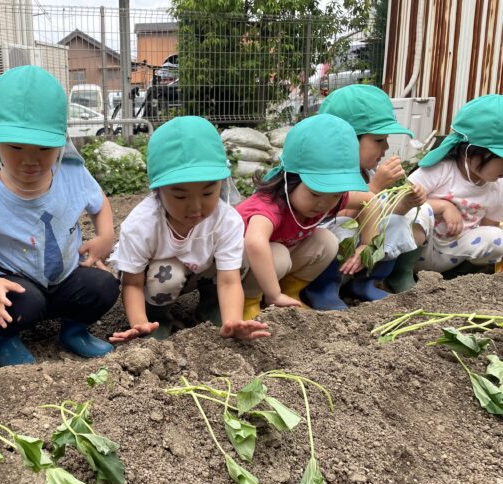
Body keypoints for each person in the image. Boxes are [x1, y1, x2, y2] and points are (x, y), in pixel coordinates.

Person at [0, 65, 118, 366]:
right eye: (16, 147)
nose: (30, 160)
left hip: (66, 275)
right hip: (18, 281)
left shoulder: (73, 174)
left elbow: (100, 204)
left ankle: (74, 331)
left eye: (44, 148)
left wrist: (105, 237)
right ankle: (2, 338)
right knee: (23, 302)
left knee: (104, 286)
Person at [108, 116, 270, 343]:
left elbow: (229, 281)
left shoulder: (227, 220)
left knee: (242, 254)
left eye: (207, 193)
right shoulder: (141, 225)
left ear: (221, 184)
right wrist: (139, 322)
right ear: (158, 190)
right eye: (180, 195)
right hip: (157, 278)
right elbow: (132, 283)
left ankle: (212, 308)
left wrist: (232, 322)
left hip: (201, 271)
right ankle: (157, 319)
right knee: (168, 275)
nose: (195, 207)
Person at [301, 85, 428, 309]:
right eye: (379, 140)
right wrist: (376, 187)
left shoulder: (365, 171)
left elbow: (375, 212)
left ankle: (366, 283)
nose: (386, 147)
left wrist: (404, 204)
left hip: (355, 258)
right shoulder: (325, 173)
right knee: (342, 229)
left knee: (397, 222)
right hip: (316, 254)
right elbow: (334, 215)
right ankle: (323, 289)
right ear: (346, 140)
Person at [237, 114, 375, 320]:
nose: (324, 204)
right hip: (235, 267)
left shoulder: (328, 199)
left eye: (335, 195)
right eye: (315, 193)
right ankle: (249, 302)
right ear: (290, 179)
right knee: (279, 256)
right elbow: (255, 243)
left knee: (326, 241)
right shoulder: (269, 206)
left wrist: (367, 244)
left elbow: (371, 200)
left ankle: (290, 292)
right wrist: (273, 294)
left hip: (273, 260)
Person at [406, 94, 503, 276]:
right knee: (417, 210)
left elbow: (489, 226)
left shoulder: (498, 186)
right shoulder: (440, 170)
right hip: (421, 248)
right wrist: (443, 206)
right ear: (471, 152)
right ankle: (401, 274)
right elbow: (399, 201)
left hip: (456, 251)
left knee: (497, 238)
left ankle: (461, 278)